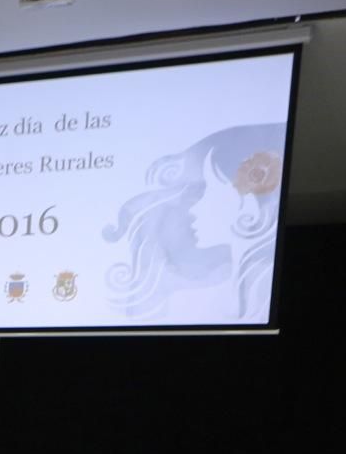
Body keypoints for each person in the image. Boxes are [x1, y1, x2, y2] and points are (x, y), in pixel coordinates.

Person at [102, 123, 287, 323]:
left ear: (248, 207)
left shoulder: (259, 294)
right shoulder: (188, 296)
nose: (191, 209)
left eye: (208, 192)